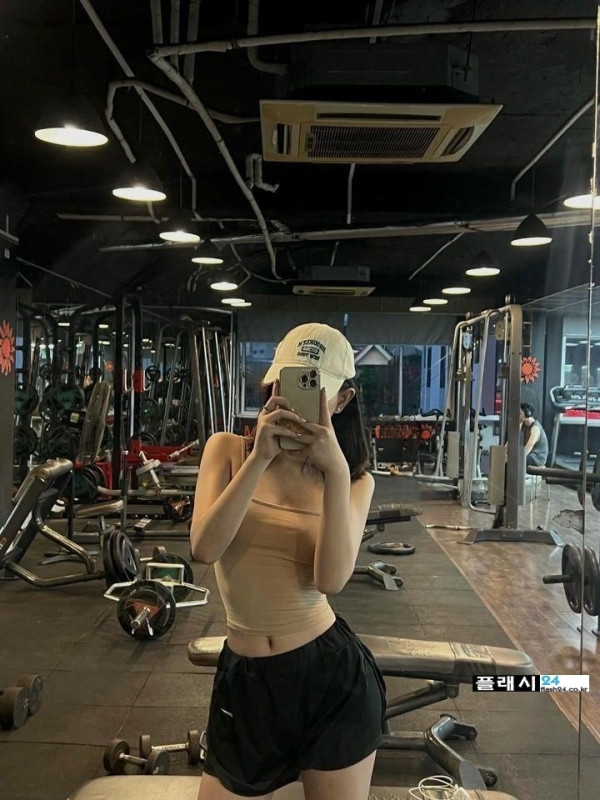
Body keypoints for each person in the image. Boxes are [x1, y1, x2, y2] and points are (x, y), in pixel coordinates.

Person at [190, 323, 385, 800]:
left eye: (316, 388)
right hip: (245, 678)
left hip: (330, 680)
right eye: (289, 381)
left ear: (342, 400)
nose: (298, 399)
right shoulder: (227, 450)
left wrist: (335, 469)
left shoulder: (355, 481)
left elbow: (330, 580)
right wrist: (259, 458)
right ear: (272, 382)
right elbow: (204, 549)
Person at [519, 402, 549, 467]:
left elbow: (530, 444)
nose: (518, 416)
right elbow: (513, 436)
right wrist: (505, 451)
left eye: (520, 414)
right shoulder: (523, 424)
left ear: (527, 413)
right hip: (530, 455)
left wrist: (520, 458)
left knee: (515, 460)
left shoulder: (535, 428)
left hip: (537, 458)